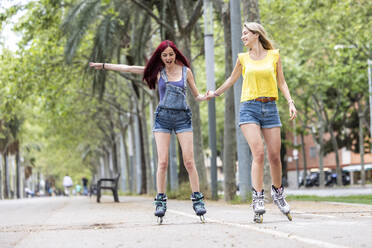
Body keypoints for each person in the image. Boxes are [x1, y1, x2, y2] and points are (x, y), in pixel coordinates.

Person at [89, 40, 207, 223]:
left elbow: (196, 95)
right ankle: (160, 201)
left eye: (171, 54)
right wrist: (104, 66)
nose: (168, 58)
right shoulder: (157, 72)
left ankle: (197, 199)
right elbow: (128, 68)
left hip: (183, 117)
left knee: (189, 162)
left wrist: (206, 96)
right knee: (162, 163)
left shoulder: (186, 72)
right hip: (163, 119)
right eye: (164, 55)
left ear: (176, 54)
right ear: (160, 57)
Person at [206, 22, 297, 223]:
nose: (242, 36)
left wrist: (290, 102)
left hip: (271, 107)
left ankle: (278, 194)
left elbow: (281, 81)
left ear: (256, 34)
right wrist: (215, 93)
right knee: (259, 153)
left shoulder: (274, 56)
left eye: (246, 33)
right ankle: (257, 198)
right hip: (249, 108)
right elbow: (231, 79)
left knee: (275, 156)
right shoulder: (243, 58)